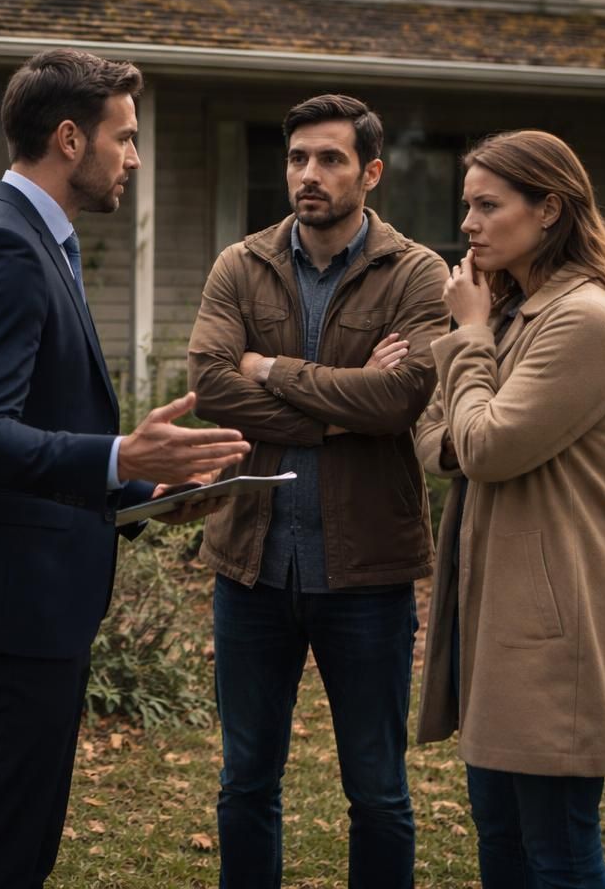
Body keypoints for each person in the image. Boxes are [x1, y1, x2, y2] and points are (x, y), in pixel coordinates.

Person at [0, 48, 250, 889]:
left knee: (14, 843)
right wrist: (122, 452)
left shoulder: (30, 240)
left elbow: (36, 425)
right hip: (13, 599)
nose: (134, 157)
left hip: (23, 594)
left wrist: (141, 491)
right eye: (124, 138)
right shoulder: (4, 250)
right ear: (67, 138)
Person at [186, 93, 451, 889]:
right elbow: (208, 384)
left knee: (376, 789)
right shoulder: (242, 263)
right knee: (245, 783)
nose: (310, 174)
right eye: (299, 157)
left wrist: (270, 370)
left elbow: (401, 398)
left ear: (369, 171)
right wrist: (336, 414)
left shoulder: (417, 271)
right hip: (252, 566)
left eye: (331, 159)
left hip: (366, 573)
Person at [415, 130, 605, 888]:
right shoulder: (517, 315)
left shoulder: (586, 321)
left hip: (560, 626)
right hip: (503, 621)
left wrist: (469, 338)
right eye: (467, 206)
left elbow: (480, 446)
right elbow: (433, 435)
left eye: (489, 206)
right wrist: (473, 357)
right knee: (502, 836)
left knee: (557, 847)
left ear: (549, 209)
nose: (470, 225)